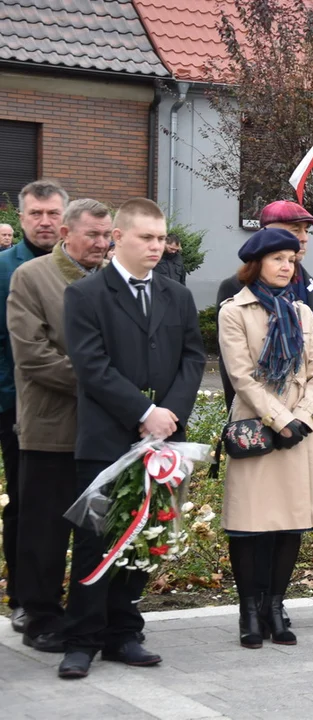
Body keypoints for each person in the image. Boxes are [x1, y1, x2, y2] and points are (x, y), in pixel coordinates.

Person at [59, 198, 205, 679]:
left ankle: (125, 632)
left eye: (161, 239)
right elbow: (91, 364)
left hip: (162, 441)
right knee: (96, 542)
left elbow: (191, 359)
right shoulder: (87, 295)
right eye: (147, 238)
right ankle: (81, 639)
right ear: (117, 237)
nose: (157, 247)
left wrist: (169, 414)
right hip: (107, 437)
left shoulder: (176, 295)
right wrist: (143, 411)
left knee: (146, 535)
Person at [217, 200, 313, 621]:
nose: (301, 239)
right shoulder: (233, 297)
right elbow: (238, 375)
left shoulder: (311, 291)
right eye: (292, 230)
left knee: (308, 513)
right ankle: (253, 607)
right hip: (261, 420)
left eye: (304, 233)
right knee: (256, 518)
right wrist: (276, 417)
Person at [7, 199, 111, 653]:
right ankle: (40, 615)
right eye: (93, 235)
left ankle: (93, 614)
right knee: (44, 531)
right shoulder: (31, 278)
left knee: (99, 530)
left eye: (108, 235)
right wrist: (106, 386)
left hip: (105, 432)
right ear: (66, 233)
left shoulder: (112, 279)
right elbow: (32, 355)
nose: (102, 244)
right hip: (52, 427)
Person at [0, 179, 68, 634]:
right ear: (20, 219)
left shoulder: (83, 264)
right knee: (25, 501)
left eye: (51, 214)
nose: (44, 222)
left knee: (59, 504)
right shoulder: (5, 268)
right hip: (12, 402)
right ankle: (24, 597)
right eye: (35, 214)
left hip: (69, 406)